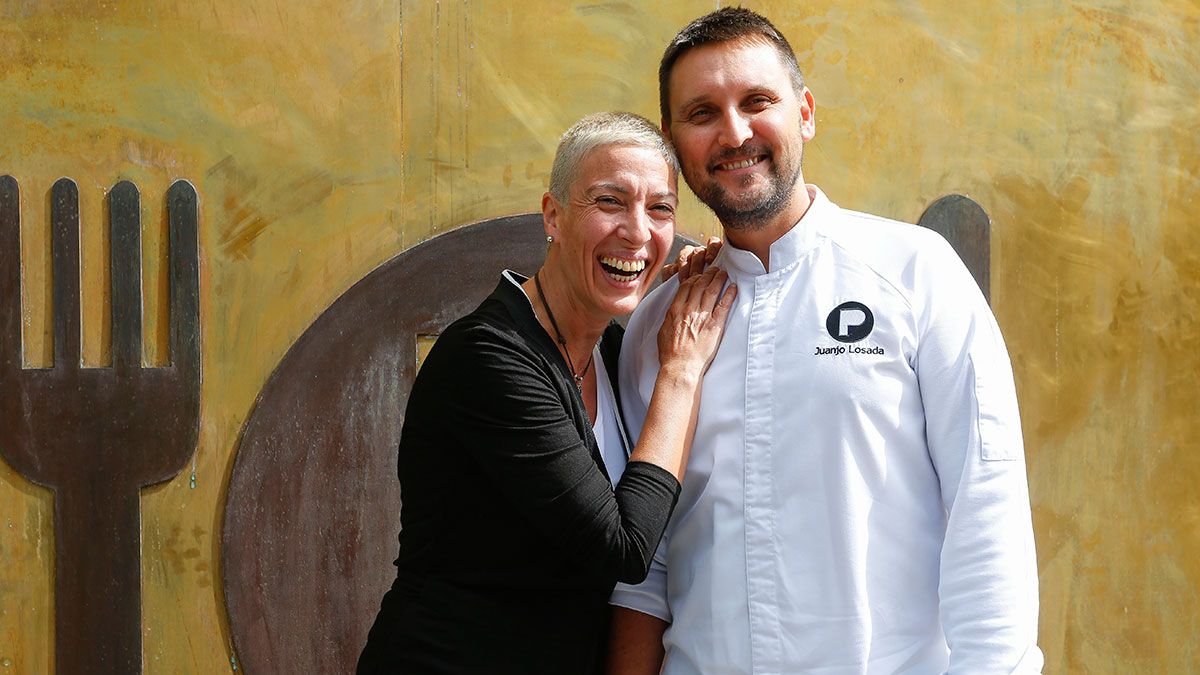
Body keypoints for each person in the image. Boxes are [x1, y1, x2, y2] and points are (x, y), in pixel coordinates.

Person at [608, 8, 1044, 674]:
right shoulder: (657, 328)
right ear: (674, 142)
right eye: (702, 113)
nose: (734, 132)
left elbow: (985, 512)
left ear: (805, 112)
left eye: (757, 101)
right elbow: (648, 563)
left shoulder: (915, 273)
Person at [356, 111, 736, 674]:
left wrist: (691, 290)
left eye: (660, 208)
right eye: (609, 201)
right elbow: (623, 549)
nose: (637, 232)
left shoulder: (609, 351)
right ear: (552, 216)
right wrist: (680, 370)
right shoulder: (488, 357)